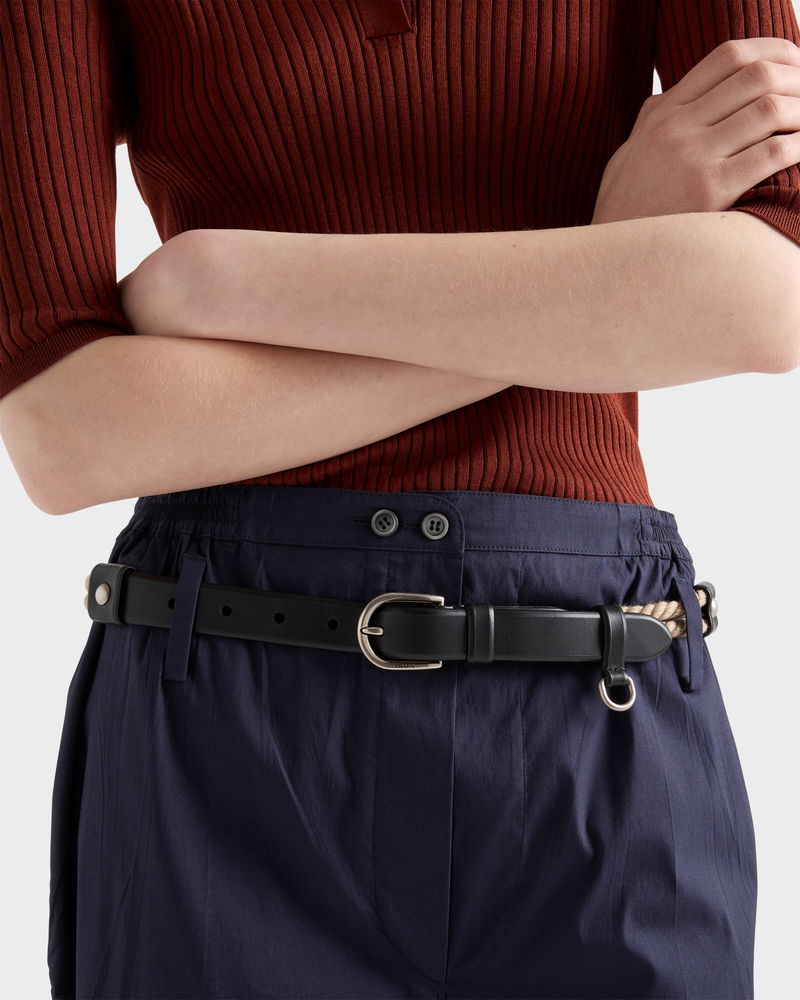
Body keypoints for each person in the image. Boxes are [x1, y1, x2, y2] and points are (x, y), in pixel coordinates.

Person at [1, 2, 798, 997]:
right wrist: (598, 259)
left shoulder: (221, 280)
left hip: (598, 692)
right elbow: (67, 430)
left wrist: (229, 282)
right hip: (220, 728)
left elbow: (766, 300)